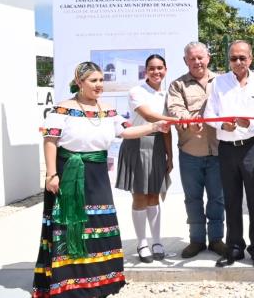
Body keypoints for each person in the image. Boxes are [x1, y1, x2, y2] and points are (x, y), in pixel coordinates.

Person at [33, 62, 169, 298]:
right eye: (93, 81)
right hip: (68, 174)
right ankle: (69, 282)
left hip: (96, 174)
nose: (98, 85)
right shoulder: (62, 109)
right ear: (80, 82)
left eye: (100, 80)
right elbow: (50, 141)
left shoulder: (107, 110)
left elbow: (126, 131)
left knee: (98, 225)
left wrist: (155, 126)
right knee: (70, 226)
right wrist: (51, 174)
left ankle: (99, 280)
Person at [204, 40, 254, 268]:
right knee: (231, 201)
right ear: (228, 60)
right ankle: (234, 248)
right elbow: (209, 113)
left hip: (252, 146)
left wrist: (248, 122)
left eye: (243, 58)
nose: (238, 62)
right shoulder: (218, 83)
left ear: (251, 59)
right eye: (234, 58)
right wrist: (223, 125)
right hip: (226, 149)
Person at [166, 42, 227, 259]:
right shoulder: (177, 85)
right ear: (185, 61)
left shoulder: (222, 81)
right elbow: (174, 108)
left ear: (208, 57)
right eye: (192, 59)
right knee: (193, 199)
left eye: (200, 57)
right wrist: (188, 119)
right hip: (190, 152)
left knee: (217, 198)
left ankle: (217, 239)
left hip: (219, 151)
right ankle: (197, 240)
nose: (197, 62)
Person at [115, 54, 174, 263]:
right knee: (139, 196)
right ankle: (142, 243)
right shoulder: (136, 91)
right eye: (152, 68)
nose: (156, 72)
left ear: (165, 69)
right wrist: (178, 119)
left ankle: (157, 241)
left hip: (158, 146)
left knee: (154, 196)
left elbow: (166, 130)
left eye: (160, 68)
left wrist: (170, 155)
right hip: (137, 144)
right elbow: (149, 117)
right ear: (145, 71)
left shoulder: (168, 95)